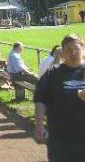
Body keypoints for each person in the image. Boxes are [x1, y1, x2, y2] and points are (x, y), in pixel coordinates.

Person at [34, 34, 85, 162]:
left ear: (83, 50)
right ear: (63, 53)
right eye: (68, 50)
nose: (73, 53)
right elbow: (40, 99)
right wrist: (39, 124)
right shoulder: (52, 74)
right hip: (58, 139)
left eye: (76, 49)